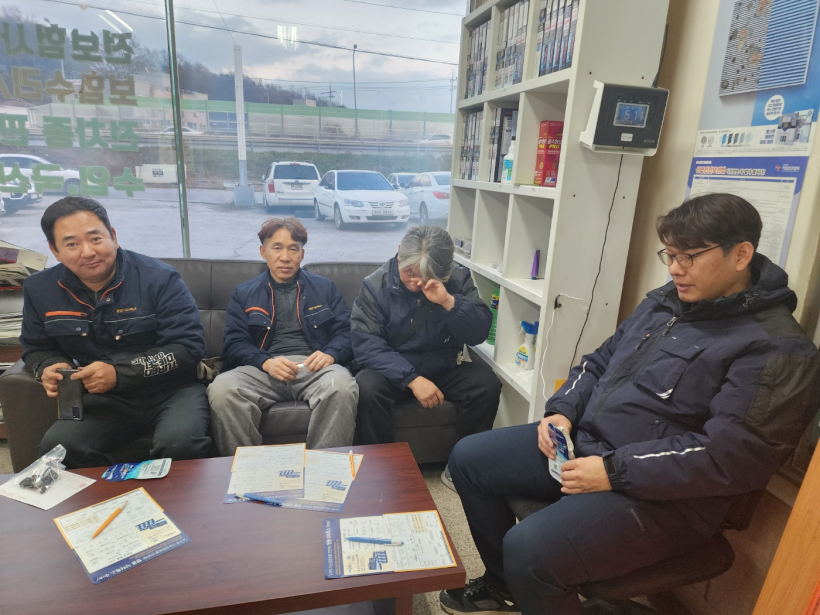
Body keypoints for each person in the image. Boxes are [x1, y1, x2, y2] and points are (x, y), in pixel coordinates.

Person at [439, 193, 820, 615]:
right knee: (469, 458)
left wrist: (613, 471)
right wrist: (561, 412)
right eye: (670, 255)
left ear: (741, 255)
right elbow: (599, 362)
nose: (675, 268)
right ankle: (504, 585)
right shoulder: (666, 302)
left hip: (669, 499)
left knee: (531, 549)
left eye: (690, 256)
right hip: (591, 448)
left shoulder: (776, 348)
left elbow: (729, 457)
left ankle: (529, 582)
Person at [22, 197, 211, 469]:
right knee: (59, 448)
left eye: (95, 239)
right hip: (103, 400)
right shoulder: (40, 289)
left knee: (180, 442)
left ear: (113, 236)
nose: (88, 252)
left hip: (171, 390)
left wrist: (118, 374)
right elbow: (36, 347)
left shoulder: (160, 278)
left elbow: (188, 348)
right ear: (55, 250)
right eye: (72, 244)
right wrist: (49, 366)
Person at [352, 225, 501, 490]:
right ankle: (381, 466)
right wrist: (412, 379)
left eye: (426, 275)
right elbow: (366, 344)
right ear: (399, 253)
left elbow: (479, 333)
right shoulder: (375, 285)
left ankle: (461, 467)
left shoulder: (457, 279)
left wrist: (449, 302)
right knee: (367, 386)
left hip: (442, 365)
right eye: (409, 271)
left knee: (486, 384)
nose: (416, 282)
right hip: (395, 369)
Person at [207, 217, 358, 455]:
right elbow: (234, 344)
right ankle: (249, 470)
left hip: (313, 369)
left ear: (302, 254)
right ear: (263, 252)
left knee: (341, 385)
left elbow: (347, 334)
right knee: (222, 389)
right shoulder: (244, 293)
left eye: (293, 249)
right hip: (263, 370)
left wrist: (330, 354)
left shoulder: (325, 288)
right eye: (277, 248)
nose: (285, 257)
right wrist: (266, 362)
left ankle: (324, 467)